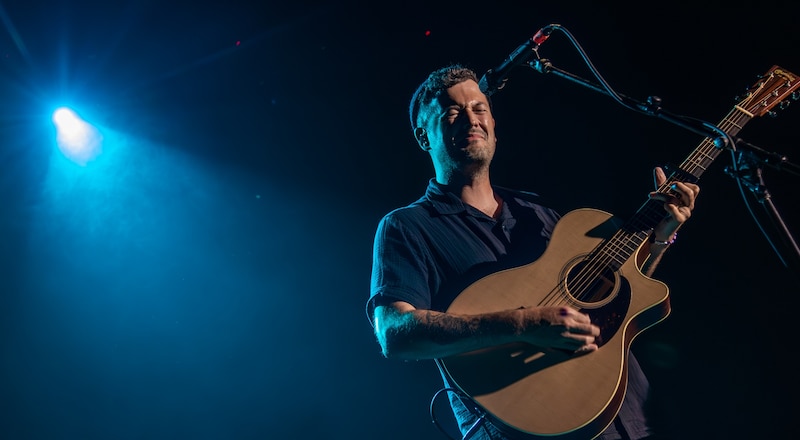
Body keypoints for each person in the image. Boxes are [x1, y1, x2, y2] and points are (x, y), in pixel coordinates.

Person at [366, 64, 699, 440]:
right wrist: (525, 324)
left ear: (494, 123)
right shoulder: (407, 226)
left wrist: (659, 238)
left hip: (633, 414)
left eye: (479, 109)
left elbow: (621, 294)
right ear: (424, 136)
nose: (472, 120)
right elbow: (394, 333)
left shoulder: (540, 212)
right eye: (453, 113)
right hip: (525, 427)